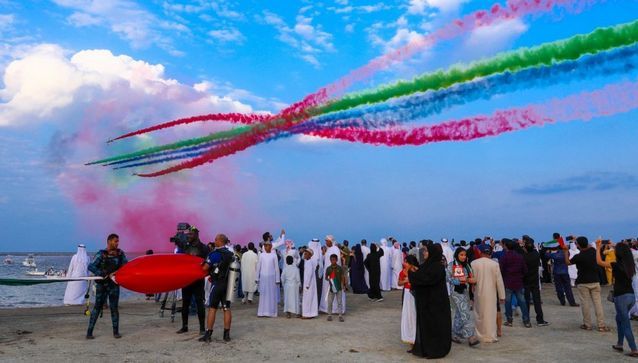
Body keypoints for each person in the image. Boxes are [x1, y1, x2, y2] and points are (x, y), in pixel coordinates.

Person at [595, 239, 638, 356]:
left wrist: (598, 247)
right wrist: (615, 244)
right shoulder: (631, 265)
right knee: (619, 319)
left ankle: (634, 349)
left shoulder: (616, 265)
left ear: (617, 253)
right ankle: (619, 344)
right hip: (630, 296)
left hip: (621, 297)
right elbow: (625, 251)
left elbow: (599, 261)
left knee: (625, 323)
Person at [408, 244, 451, 359]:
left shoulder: (438, 267)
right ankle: (427, 348)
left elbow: (426, 279)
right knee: (428, 326)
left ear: (432, 253)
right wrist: (414, 273)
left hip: (436, 303)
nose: (424, 253)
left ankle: (436, 350)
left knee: (436, 326)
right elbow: (421, 276)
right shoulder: (427, 265)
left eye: (426, 251)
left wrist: (412, 274)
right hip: (427, 303)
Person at [562, 237, 610, 331]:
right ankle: (601, 325)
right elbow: (587, 244)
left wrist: (565, 251)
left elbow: (567, 262)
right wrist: (577, 238)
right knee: (598, 304)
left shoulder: (578, 256)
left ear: (578, 245)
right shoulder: (593, 251)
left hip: (582, 282)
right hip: (595, 280)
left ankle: (587, 324)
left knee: (585, 304)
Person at [86, 234, 127, 339]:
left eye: (118, 241)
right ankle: (89, 333)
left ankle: (116, 332)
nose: (117, 243)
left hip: (114, 285)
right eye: (115, 241)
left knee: (114, 308)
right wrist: (102, 273)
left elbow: (126, 266)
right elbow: (91, 266)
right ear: (109, 242)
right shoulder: (102, 254)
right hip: (102, 285)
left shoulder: (120, 254)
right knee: (97, 308)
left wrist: (116, 273)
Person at [199, 234, 234, 343]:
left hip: (217, 284)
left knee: (212, 308)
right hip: (228, 285)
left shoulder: (215, 254)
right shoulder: (230, 254)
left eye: (215, 239)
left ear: (219, 241)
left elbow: (205, 267)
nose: (214, 241)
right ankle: (226, 335)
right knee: (226, 308)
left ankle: (208, 334)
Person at [175, 227, 209, 335]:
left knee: (200, 304)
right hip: (186, 280)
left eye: (190, 234)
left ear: (196, 235)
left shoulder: (203, 248)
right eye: (187, 234)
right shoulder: (185, 246)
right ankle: (184, 326)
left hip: (198, 280)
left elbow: (208, 263)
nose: (188, 236)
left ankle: (202, 328)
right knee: (185, 303)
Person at [471, 244, 505, 343]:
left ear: (480, 252)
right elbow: (499, 281)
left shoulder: (474, 263)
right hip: (491, 293)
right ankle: (490, 336)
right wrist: (502, 295)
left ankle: (480, 335)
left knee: (479, 315)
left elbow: (473, 279)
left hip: (479, 292)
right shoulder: (494, 264)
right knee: (490, 314)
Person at [447, 248, 480, 346]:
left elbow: (471, 278)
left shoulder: (467, 265)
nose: (463, 257)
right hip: (456, 292)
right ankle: (471, 337)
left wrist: (469, 280)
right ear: (457, 255)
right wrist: (459, 281)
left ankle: (455, 333)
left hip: (465, 291)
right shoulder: (451, 265)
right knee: (466, 313)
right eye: (461, 255)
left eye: (464, 255)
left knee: (459, 313)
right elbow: (448, 278)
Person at [499, 239, 531, 328]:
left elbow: (501, 271)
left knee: (508, 302)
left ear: (505, 246)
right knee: (522, 301)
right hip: (518, 282)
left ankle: (509, 320)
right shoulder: (520, 256)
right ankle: (526, 321)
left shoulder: (504, 257)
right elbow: (525, 270)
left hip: (508, 282)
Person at [522, 237, 549, 326]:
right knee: (537, 301)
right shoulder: (536, 255)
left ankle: (526, 320)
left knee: (526, 301)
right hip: (535, 280)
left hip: (526, 280)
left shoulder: (523, 256)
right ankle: (540, 319)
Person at [319, 235, 346, 314]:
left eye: (327, 241)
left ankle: (336, 309)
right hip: (328, 273)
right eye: (325, 240)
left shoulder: (335, 249)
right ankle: (326, 308)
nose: (326, 242)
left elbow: (336, 261)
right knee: (327, 291)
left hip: (334, 274)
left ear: (331, 241)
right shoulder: (329, 249)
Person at [256, 238, 281, 317]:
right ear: (264, 247)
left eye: (268, 246)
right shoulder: (261, 255)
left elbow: (276, 268)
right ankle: (262, 312)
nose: (267, 247)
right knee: (263, 294)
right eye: (265, 246)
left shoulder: (274, 255)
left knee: (271, 295)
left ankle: (271, 312)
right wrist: (257, 278)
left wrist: (277, 279)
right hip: (263, 278)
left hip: (272, 279)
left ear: (271, 247)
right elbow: (258, 267)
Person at [399, 255, 418, 344]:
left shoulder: (417, 271)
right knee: (408, 314)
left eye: (406, 262)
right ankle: (409, 337)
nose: (404, 263)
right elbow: (399, 283)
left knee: (415, 313)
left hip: (415, 293)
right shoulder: (402, 272)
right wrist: (405, 281)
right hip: (407, 294)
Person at [324, 254, 346, 322]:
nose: (332, 261)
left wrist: (343, 285)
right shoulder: (328, 269)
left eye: (334, 260)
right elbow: (326, 277)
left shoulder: (340, 268)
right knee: (330, 302)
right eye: (331, 260)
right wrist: (329, 279)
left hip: (339, 287)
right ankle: (329, 315)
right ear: (330, 260)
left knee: (339, 302)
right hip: (331, 288)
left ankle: (340, 316)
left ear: (336, 260)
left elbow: (342, 277)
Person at [301, 248, 319, 319]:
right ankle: (311, 313)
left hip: (308, 285)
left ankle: (307, 314)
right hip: (309, 284)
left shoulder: (309, 262)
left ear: (310, 255)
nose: (304, 255)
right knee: (310, 299)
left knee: (307, 299)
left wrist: (307, 285)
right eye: (304, 253)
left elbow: (309, 274)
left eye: (306, 254)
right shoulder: (309, 261)